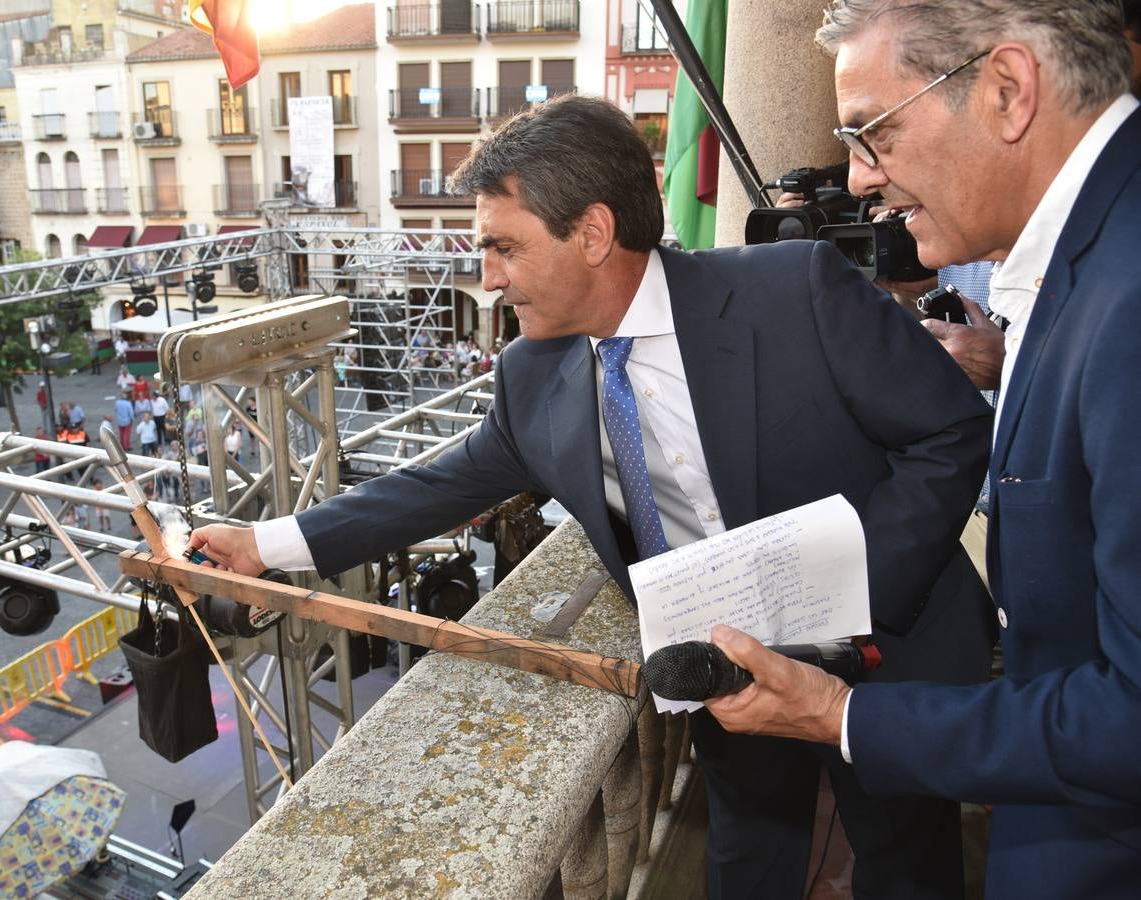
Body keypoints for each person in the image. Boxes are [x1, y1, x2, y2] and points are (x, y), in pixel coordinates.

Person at [188, 95, 993, 900]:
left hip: (886, 658)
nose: (488, 278)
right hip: (721, 677)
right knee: (746, 861)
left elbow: (950, 433)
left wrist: (855, 590)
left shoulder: (798, 290)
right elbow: (434, 486)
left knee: (907, 865)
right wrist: (265, 547)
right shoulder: (529, 377)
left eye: (504, 247)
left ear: (594, 234)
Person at [701, 4, 1141, 898]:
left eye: (874, 133)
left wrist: (843, 716)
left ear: (1008, 91)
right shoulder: (1090, 265)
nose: (859, 179)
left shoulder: (1129, 298)